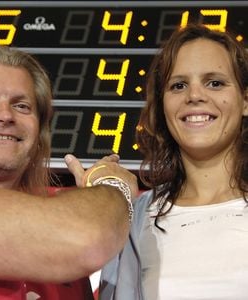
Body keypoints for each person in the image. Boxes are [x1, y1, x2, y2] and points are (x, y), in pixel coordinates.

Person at [0, 44, 139, 299]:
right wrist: (114, 185)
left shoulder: (60, 250)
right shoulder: (66, 234)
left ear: (39, 131)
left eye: (22, 106)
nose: (5, 116)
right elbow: (86, 237)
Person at [99, 23, 248, 299]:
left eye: (214, 83)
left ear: (245, 99)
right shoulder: (135, 218)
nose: (194, 96)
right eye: (178, 85)